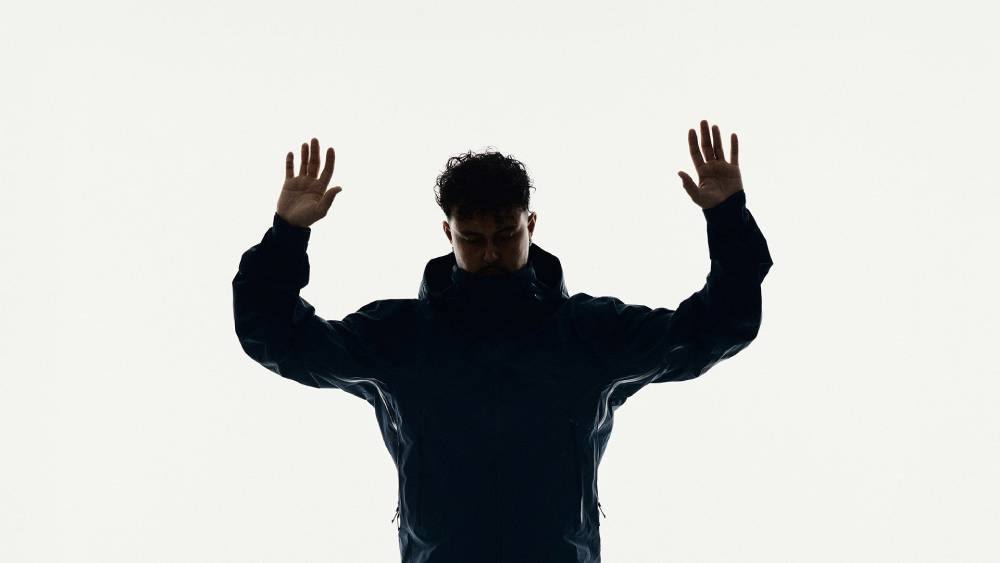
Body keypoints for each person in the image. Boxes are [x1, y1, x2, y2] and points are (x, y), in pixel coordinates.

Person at [232, 120, 773, 563]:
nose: (490, 253)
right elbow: (276, 337)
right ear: (448, 233)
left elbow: (716, 327)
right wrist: (287, 234)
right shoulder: (398, 338)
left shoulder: (588, 334)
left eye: (506, 235)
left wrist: (726, 216)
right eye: (472, 239)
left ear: (531, 223)